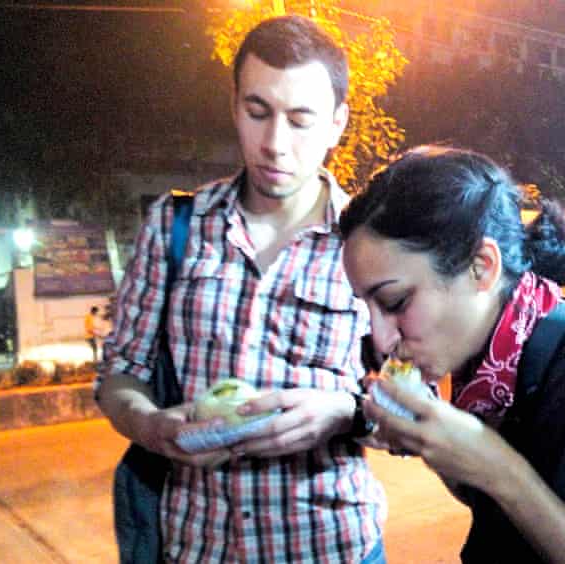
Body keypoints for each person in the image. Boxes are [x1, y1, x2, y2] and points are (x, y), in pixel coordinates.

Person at [97, 16, 386, 564]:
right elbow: (121, 373)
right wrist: (150, 425)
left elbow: (407, 400)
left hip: (332, 545)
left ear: (337, 124)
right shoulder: (174, 225)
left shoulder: (370, 241)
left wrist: (344, 413)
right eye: (258, 113)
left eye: (301, 121)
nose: (275, 144)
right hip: (199, 543)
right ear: (234, 106)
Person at [339, 146, 565, 562]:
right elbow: (500, 514)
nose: (381, 338)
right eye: (364, 307)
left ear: (481, 266)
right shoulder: (489, 371)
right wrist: (432, 439)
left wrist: (503, 470)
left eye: (394, 301)